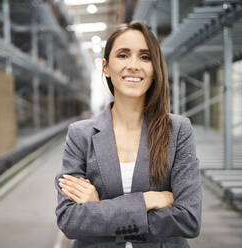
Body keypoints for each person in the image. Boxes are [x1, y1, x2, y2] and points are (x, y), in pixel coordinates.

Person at [54, 21, 202, 248]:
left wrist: (100, 208)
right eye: (123, 55)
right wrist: (148, 200)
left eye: (145, 57)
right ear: (105, 67)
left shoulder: (178, 130)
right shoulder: (80, 135)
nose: (133, 65)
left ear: (155, 69)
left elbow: (188, 220)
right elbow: (70, 220)